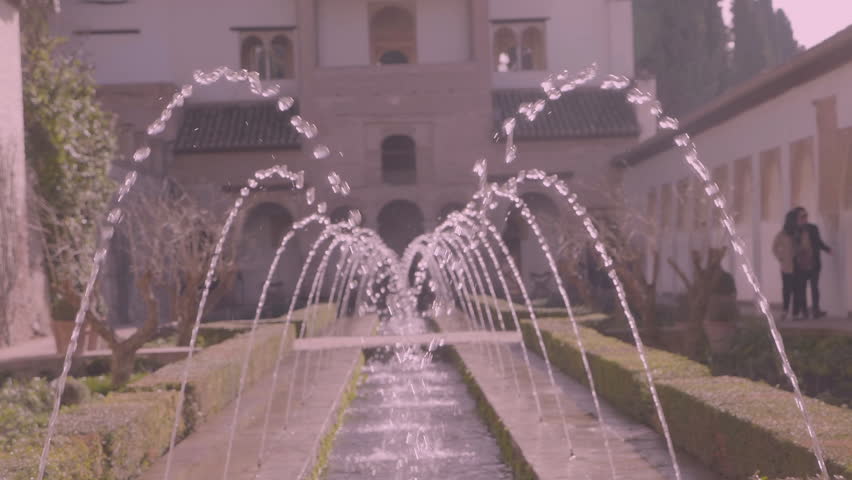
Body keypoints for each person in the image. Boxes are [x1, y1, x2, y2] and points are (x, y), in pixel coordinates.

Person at [795, 207, 832, 318]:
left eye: (805, 216)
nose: (804, 218)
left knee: (814, 287)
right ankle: (804, 311)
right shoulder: (795, 231)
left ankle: (816, 310)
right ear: (797, 218)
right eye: (802, 216)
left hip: (814, 262)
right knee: (802, 288)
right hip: (801, 264)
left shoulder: (813, 228)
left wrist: (827, 249)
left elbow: (818, 242)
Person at [772, 210, 798, 320]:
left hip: (798, 264)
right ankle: (785, 310)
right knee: (787, 289)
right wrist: (780, 257)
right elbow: (774, 247)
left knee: (797, 289)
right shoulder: (782, 234)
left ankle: (796, 312)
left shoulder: (798, 232)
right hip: (786, 266)